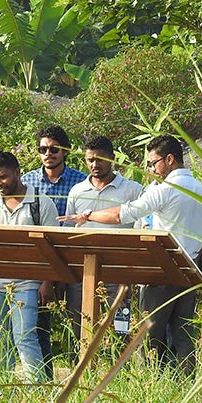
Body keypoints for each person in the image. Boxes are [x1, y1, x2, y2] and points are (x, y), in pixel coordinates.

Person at [59, 134, 202, 375]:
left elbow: (123, 214)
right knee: (183, 333)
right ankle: (185, 384)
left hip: (161, 271)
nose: (151, 169)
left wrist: (88, 216)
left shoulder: (166, 190)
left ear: (170, 159)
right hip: (190, 270)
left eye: (154, 163)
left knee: (149, 334)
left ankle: (150, 384)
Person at [0, 151, 59, 382]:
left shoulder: (42, 204)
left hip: (28, 283)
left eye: (2, 177)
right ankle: (4, 386)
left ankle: (37, 390)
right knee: (0, 338)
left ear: (17, 172)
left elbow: (52, 249)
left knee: (25, 336)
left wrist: (47, 283)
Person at [21, 124, 86, 380]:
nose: (48, 154)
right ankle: (44, 376)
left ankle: (77, 374)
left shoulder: (81, 181)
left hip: (73, 257)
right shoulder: (27, 181)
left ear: (65, 151)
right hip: (41, 259)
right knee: (40, 320)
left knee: (76, 318)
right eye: (43, 149)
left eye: (54, 149)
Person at [64, 135, 144, 342]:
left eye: (100, 159)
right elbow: (69, 233)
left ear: (112, 158)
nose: (95, 164)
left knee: (121, 329)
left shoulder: (133, 190)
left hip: (119, 271)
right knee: (80, 328)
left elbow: (140, 232)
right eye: (90, 160)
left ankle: (123, 371)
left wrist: (131, 274)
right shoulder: (77, 192)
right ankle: (80, 370)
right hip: (83, 272)